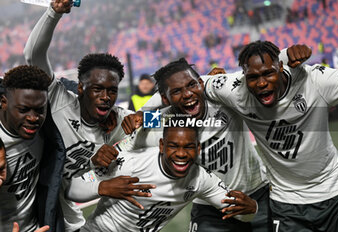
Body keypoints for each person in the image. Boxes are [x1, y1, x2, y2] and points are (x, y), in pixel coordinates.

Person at [121, 45, 311, 232]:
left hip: (257, 195)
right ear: (165, 99)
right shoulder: (162, 119)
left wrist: (287, 55)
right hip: (210, 208)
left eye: (192, 85)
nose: (187, 95)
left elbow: (254, 72)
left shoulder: (221, 98)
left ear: (201, 85)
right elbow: (131, 137)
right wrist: (139, 113)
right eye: (177, 92)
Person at [24, 0, 154, 231]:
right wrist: (54, 13)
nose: (106, 97)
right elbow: (33, 55)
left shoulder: (120, 119)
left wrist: (145, 117)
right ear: (81, 88)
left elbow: (165, 123)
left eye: (112, 91)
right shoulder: (58, 98)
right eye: (98, 89)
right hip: (26, 195)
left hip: (63, 211)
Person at [204, 40, 338, 231]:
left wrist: (285, 53)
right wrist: (149, 116)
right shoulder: (236, 90)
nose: (262, 83)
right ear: (244, 77)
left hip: (335, 192)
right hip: (286, 202)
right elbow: (188, 86)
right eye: (253, 77)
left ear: (281, 67)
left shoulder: (315, 80)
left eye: (268, 73)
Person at [67, 120, 258, 231]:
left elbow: (242, 214)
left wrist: (253, 208)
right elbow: (72, 190)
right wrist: (102, 187)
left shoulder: (201, 179)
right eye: (174, 146)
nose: (181, 154)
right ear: (161, 146)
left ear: (198, 149)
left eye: (189, 147)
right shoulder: (129, 163)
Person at [0, 65, 51, 232]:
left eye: (39, 110)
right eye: (23, 110)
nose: (33, 118)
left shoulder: (46, 129)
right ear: (4, 103)